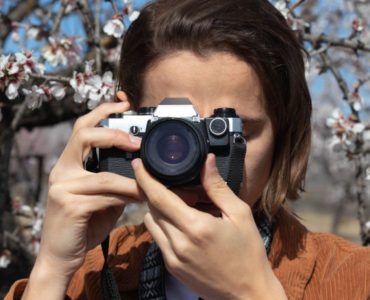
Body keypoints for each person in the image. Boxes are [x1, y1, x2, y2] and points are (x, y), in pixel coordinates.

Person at [5, 0, 370, 299]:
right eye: (173, 135)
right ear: (127, 125)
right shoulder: (92, 275)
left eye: (228, 132)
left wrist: (253, 293)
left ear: (284, 135)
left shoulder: (354, 279)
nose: (200, 160)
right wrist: (52, 267)